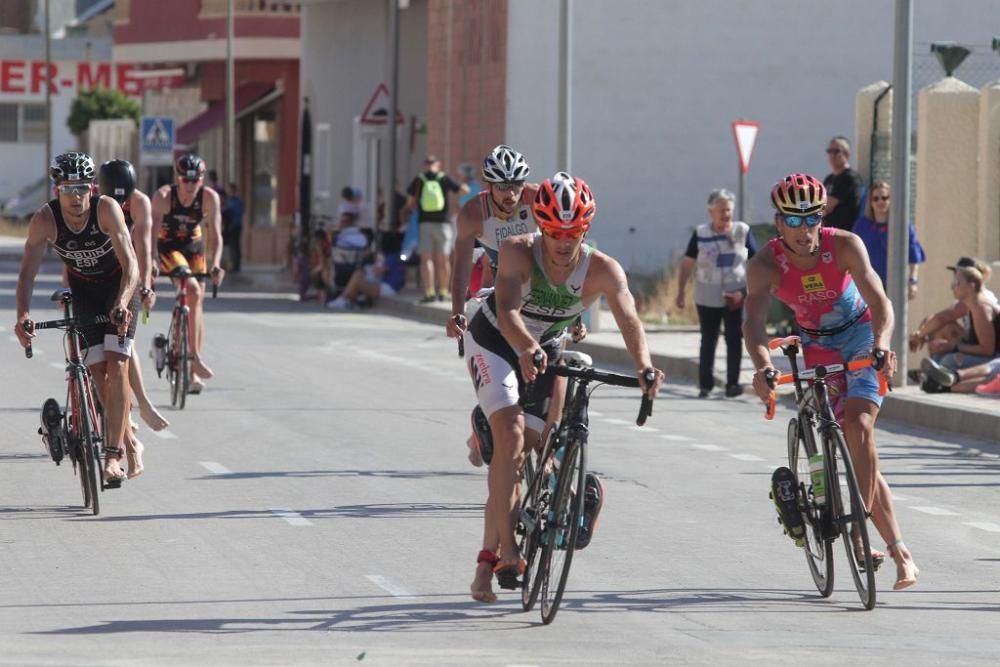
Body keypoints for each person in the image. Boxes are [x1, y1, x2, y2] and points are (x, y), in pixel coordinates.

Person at [461, 172, 665, 602]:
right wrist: (527, 347)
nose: (562, 241)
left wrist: (645, 366)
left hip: (545, 347)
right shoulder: (519, 251)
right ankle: (505, 556)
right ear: (540, 224)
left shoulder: (603, 268)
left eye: (572, 232)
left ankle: (550, 502)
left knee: (534, 446)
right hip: (497, 339)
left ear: (585, 229)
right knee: (511, 434)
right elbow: (509, 310)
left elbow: (629, 318)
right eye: (553, 231)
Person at [743, 172, 918, 591]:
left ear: (821, 218)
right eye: (794, 221)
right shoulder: (765, 264)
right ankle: (897, 548)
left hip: (860, 336)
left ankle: (862, 533)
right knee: (849, 445)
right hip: (817, 345)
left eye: (811, 219)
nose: (804, 231)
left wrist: (881, 342)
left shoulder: (844, 244)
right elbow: (752, 320)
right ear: (778, 222)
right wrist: (763, 365)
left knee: (860, 429)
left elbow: (880, 301)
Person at [14, 152, 139, 485]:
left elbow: (132, 265)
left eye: (83, 187)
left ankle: (113, 458)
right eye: (69, 189)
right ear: (57, 190)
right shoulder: (45, 220)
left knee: (118, 366)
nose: (77, 196)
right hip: (83, 291)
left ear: (93, 188)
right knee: (96, 371)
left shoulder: (106, 209)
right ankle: (115, 430)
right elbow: (27, 274)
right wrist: (22, 315)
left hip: (118, 287)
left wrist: (124, 302)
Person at [98, 160, 170, 480]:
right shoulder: (96, 203)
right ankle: (135, 414)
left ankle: (140, 404)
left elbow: (143, 244)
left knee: (123, 351)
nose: (121, 203)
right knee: (108, 363)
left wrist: (145, 287)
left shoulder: (139, 202)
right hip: (98, 277)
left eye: (124, 197)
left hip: (129, 274)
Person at [151, 153, 225, 394]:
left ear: (202, 180)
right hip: (168, 246)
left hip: (193, 247)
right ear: (178, 179)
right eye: (186, 181)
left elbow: (215, 234)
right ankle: (193, 359)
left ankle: (193, 368)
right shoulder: (163, 196)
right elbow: (149, 235)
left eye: (196, 181)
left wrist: (216, 264)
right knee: (191, 289)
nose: (191, 186)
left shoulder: (209, 197)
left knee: (197, 303)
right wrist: (151, 260)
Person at [675, 189, 757, 398]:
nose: (726, 214)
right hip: (707, 295)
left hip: (736, 295)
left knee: (734, 338)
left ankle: (732, 384)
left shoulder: (742, 231)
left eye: (728, 210)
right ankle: (706, 384)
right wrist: (680, 292)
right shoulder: (701, 233)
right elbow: (687, 264)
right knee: (708, 339)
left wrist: (748, 291)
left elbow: (757, 262)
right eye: (721, 210)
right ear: (711, 212)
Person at [918, 264, 1000, 388]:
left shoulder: (981, 308)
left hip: (994, 360)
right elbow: (941, 318)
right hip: (986, 356)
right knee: (941, 355)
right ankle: (933, 377)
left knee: (949, 360)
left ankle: (940, 381)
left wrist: (954, 346)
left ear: (971, 285)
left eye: (957, 283)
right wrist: (920, 334)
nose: (952, 287)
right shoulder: (969, 306)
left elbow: (987, 350)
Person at [406, 155, 468, 303]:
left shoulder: (419, 179)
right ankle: (443, 292)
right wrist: (457, 206)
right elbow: (464, 190)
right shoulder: (444, 178)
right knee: (444, 259)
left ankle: (429, 292)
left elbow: (411, 202)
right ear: (438, 165)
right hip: (443, 223)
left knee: (426, 259)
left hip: (425, 222)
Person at [851, 181, 924, 299]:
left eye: (885, 198)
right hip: (867, 284)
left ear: (891, 200)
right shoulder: (861, 226)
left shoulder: (902, 226)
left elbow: (914, 257)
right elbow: (852, 254)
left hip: (895, 285)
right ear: (870, 202)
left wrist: (913, 281)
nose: (880, 202)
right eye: (876, 198)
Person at [325, 231, 406, 311]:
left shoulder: (392, 258)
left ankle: (343, 300)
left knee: (358, 281)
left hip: (388, 289)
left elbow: (379, 272)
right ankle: (344, 300)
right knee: (358, 274)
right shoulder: (388, 257)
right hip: (383, 284)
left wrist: (372, 268)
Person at [822, 136, 863, 231]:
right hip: (828, 232)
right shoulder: (829, 179)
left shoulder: (849, 178)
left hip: (843, 234)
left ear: (847, 154)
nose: (832, 155)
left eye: (836, 151)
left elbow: (826, 206)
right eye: (829, 151)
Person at [221, 182, 245, 273]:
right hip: (230, 227)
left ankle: (236, 266)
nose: (229, 192)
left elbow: (237, 212)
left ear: (234, 191)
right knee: (231, 247)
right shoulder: (230, 201)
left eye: (231, 190)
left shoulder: (236, 202)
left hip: (236, 227)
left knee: (235, 246)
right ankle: (232, 265)